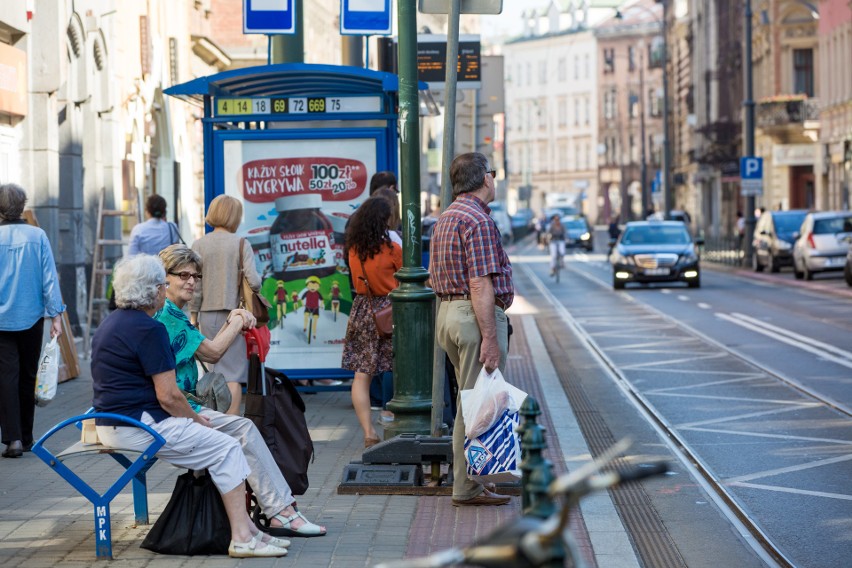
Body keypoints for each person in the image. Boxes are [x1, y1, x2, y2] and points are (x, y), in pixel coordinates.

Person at [91, 255, 289, 558]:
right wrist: (196, 419)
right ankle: (241, 537)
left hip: (115, 422)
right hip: (140, 425)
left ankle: (250, 532)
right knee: (226, 447)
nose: (163, 291)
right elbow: (168, 396)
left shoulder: (110, 323)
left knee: (226, 442)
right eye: (161, 285)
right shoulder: (150, 329)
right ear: (155, 291)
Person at [154, 245, 326, 538]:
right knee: (244, 431)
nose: (191, 281)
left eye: (195, 275)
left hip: (178, 409)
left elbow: (207, 350)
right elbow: (213, 352)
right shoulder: (169, 317)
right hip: (175, 414)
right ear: (164, 278)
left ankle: (280, 511)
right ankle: (281, 513)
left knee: (242, 429)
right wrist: (237, 320)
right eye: (183, 275)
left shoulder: (173, 313)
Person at [429, 152, 513, 507]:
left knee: (473, 400)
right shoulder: (477, 221)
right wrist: (491, 338)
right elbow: (479, 283)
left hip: (448, 313)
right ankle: (466, 487)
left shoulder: (447, 217)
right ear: (484, 179)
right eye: (492, 173)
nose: (495, 179)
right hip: (472, 316)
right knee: (476, 404)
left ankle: (478, 480)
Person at [0, 183, 66, 459]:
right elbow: (49, 278)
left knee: (6, 377)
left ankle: (12, 438)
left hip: (1, 322)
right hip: (31, 317)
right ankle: (26, 437)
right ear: (23, 205)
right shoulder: (37, 236)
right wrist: (56, 315)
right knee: (28, 376)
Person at [190, 195, 262, 415]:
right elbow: (255, 282)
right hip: (234, 316)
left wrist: (193, 316)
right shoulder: (240, 244)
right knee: (232, 375)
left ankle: (213, 420)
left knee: (213, 371)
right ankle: (231, 424)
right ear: (235, 216)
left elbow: (195, 286)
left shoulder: (199, 244)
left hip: (206, 315)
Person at [341, 196, 402, 448]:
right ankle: (394, 419)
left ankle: (368, 431)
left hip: (363, 310)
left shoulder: (354, 249)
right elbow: (406, 278)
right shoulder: (393, 249)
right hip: (390, 310)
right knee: (395, 367)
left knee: (361, 375)